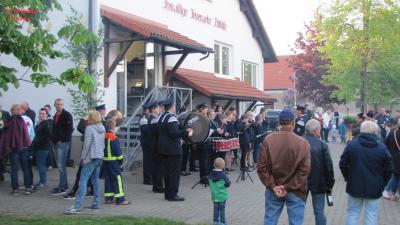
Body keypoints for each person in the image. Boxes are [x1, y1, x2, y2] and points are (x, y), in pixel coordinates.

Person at [257, 109, 311, 225]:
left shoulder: (269, 139)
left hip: (274, 189)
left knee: (270, 221)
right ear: (293, 122)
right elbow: (304, 171)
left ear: (279, 122)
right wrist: (287, 187)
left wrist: (273, 185)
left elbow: (262, 168)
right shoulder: (303, 143)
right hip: (296, 191)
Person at [339, 121, 392, 225]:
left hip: (355, 185)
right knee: (371, 214)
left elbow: (343, 164)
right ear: (374, 131)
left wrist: (348, 177)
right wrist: (383, 182)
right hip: (375, 186)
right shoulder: (382, 148)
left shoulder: (352, 145)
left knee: (353, 213)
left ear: (361, 130)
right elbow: (389, 168)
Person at [65, 111, 105, 214]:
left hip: (90, 158)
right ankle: (96, 204)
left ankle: (77, 206)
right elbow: (103, 144)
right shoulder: (102, 128)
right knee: (95, 181)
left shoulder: (89, 128)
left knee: (82, 180)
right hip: (99, 157)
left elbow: (87, 145)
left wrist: (83, 158)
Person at [157, 98, 192, 201]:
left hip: (163, 148)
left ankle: (168, 193)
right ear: (172, 106)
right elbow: (173, 133)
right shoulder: (171, 118)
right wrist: (186, 131)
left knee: (167, 172)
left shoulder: (161, 117)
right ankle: (173, 194)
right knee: (174, 172)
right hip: (173, 149)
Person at [304, 119, 335, 225]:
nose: (320, 130)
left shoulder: (298, 142)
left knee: (298, 209)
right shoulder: (322, 145)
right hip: (319, 182)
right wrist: (330, 183)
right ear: (315, 130)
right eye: (319, 129)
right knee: (319, 210)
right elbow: (329, 166)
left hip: (301, 181)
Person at [0, 104, 32, 195]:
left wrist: (7, 146)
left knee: (15, 168)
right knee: (24, 168)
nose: (17, 111)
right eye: (16, 109)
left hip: (15, 148)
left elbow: (9, 135)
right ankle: (27, 188)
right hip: (23, 147)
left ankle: (16, 189)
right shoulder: (22, 120)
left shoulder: (13, 120)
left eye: (18, 109)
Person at [102, 119, 130, 205]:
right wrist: (121, 161)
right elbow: (118, 152)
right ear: (114, 127)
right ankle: (120, 199)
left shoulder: (103, 136)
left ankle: (108, 198)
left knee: (108, 179)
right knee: (117, 179)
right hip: (113, 162)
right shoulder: (113, 138)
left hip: (105, 161)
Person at [51, 99, 74, 195]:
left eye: (61, 104)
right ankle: (62, 184)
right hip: (56, 142)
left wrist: (62, 140)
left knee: (61, 165)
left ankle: (63, 186)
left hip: (63, 143)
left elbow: (69, 130)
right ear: (55, 105)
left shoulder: (67, 115)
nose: (59, 106)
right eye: (58, 104)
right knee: (59, 165)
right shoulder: (56, 115)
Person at [32, 108, 52, 189]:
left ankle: (42, 183)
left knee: (41, 165)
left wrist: (39, 142)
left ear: (47, 115)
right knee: (41, 165)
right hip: (39, 147)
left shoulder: (46, 124)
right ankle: (41, 181)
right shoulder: (40, 123)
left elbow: (48, 135)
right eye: (40, 113)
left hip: (43, 148)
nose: (41, 115)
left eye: (43, 114)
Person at [208, 158, 230, 225]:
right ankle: (223, 222)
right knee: (222, 209)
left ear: (214, 165)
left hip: (214, 195)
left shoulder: (210, 174)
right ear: (223, 166)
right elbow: (227, 184)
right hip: (222, 195)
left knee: (215, 208)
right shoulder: (223, 175)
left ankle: (215, 221)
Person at [384, 119, 400, 201]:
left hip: (394, 157)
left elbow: (385, 145)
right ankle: (394, 192)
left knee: (396, 176)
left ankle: (392, 192)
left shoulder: (392, 133)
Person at [196, 103, 212, 184]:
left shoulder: (206, 117)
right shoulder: (198, 117)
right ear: (201, 109)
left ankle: (207, 175)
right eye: (205, 108)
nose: (207, 110)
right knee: (203, 160)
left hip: (207, 140)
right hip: (202, 141)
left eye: (207, 108)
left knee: (207, 159)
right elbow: (198, 129)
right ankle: (203, 177)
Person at [139, 102, 153, 185]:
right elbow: (145, 130)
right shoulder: (144, 118)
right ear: (146, 110)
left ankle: (149, 178)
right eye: (149, 109)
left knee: (149, 160)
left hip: (148, 141)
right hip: (146, 141)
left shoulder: (147, 117)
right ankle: (147, 179)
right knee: (147, 161)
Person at [0, 105, 11, 182]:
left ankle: (1, 174)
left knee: (2, 158)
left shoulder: (6, 114)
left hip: (3, 140)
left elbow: (9, 125)